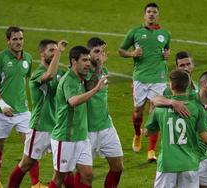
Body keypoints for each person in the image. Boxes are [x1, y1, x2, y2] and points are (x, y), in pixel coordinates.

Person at [144, 70, 207, 188]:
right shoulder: (196, 107)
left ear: (171, 85)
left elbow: (148, 132)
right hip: (190, 162)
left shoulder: (160, 109)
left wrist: (154, 111)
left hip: (169, 162)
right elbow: (206, 137)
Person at [7, 39, 68, 188]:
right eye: (51, 51)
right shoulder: (37, 74)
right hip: (40, 127)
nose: (54, 53)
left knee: (64, 169)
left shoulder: (62, 73)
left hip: (58, 128)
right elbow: (50, 75)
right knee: (27, 163)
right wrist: (59, 53)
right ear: (42, 54)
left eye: (55, 50)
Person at [0, 26, 41, 188]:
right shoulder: (0, 58)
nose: (19, 42)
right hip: (1, 112)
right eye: (15, 39)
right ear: (8, 41)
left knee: (32, 145)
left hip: (23, 111)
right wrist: (3, 104)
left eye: (21, 39)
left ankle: (35, 183)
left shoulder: (28, 58)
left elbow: (24, 79)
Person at [118, 2, 171, 161]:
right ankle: (137, 133)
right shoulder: (135, 32)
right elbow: (121, 51)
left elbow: (166, 49)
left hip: (159, 78)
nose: (151, 14)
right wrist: (132, 53)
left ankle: (151, 151)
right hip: (140, 78)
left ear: (158, 15)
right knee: (138, 111)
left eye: (154, 12)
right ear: (144, 15)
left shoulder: (165, 33)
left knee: (155, 112)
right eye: (149, 12)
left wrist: (167, 55)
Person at [50, 46, 108, 188]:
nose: (88, 63)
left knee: (87, 175)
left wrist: (99, 65)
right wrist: (95, 90)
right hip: (65, 138)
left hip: (81, 137)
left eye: (88, 60)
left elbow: (92, 83)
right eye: (84, 60)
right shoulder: (68, 80)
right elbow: (73, 101)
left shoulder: (81, 78)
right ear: (73, 61)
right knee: (59, 178)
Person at [86, 37, 123, 187]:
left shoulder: (104, 71)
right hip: (87, 130)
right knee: (85, 174)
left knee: (118, 167)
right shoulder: (83, 72)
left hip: (106, 126)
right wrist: (99, 65)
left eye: (102, 51)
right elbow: (90, 87)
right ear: (88, 53)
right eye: (96, 52)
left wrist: (101, 67)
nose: (100, 55)